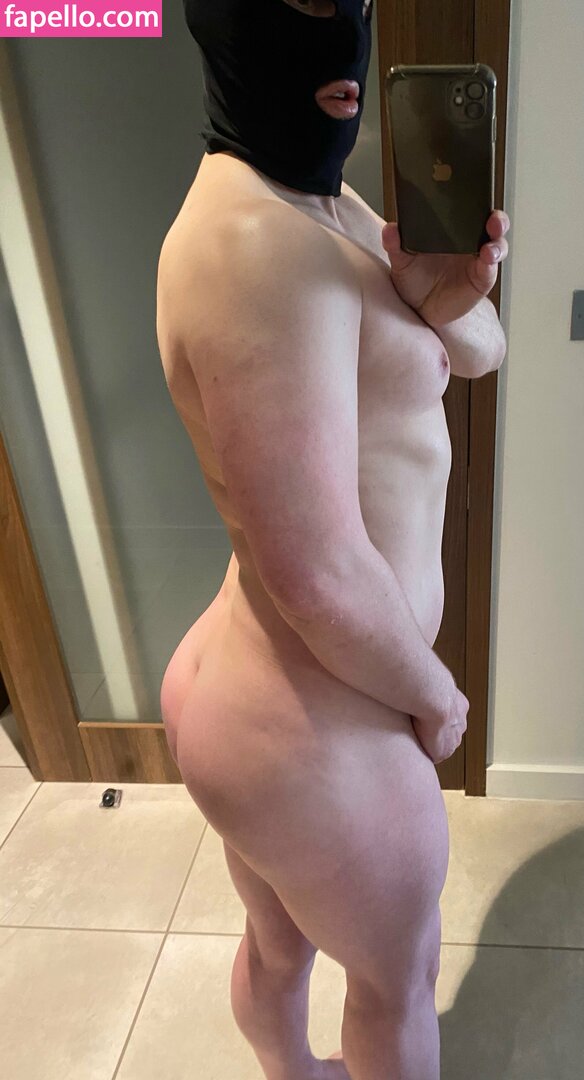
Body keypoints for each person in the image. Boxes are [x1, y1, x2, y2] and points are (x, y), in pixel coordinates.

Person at [157, 1, 509, 1077]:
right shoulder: (256, 245)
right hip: (311, 721)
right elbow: (315, 570)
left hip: (267, 697)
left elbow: (481, 354)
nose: (346, 33)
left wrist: (438, 297)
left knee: (280, 944)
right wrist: (436, 697)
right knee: (397, 986)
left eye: (354, 0)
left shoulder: (321, 201)